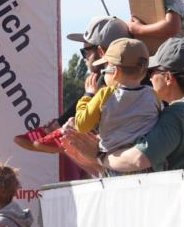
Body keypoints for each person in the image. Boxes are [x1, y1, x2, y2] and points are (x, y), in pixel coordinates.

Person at [63, 38, 184, 173]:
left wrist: (99, 156)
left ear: (167, 77)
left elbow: (137, 159)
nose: (149, 76)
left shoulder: (178, 114)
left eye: (153, 71)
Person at [14, 16, 130, 153]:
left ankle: (67, 130)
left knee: (94, 91)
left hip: (121, 147)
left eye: (85, 52)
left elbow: (87, 118)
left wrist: (88, 97)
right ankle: (60, 126)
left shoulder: (112, 83)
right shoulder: (112, 79)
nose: (84, 58)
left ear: (101, 52)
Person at [72, 38, 161, 169]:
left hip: (115, 164)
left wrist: (88, 95)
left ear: (115, 72)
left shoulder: (105, 95)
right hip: (146, 163)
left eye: (105, 68)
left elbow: (81, 124)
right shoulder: (153, 95)